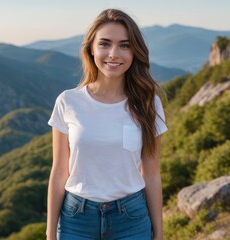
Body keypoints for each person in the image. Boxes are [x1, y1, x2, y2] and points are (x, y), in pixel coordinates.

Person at [46, 8, 168, 240]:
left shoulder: (148, 103)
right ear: (91, 49)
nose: (114, 53)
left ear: (135, 52)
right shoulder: (68, 101)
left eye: (124, 45)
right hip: (76, 219)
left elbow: (151, 174)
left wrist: (159, 233)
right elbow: (59, 172)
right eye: (105, 44)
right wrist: (50, 233)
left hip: (131, 218)